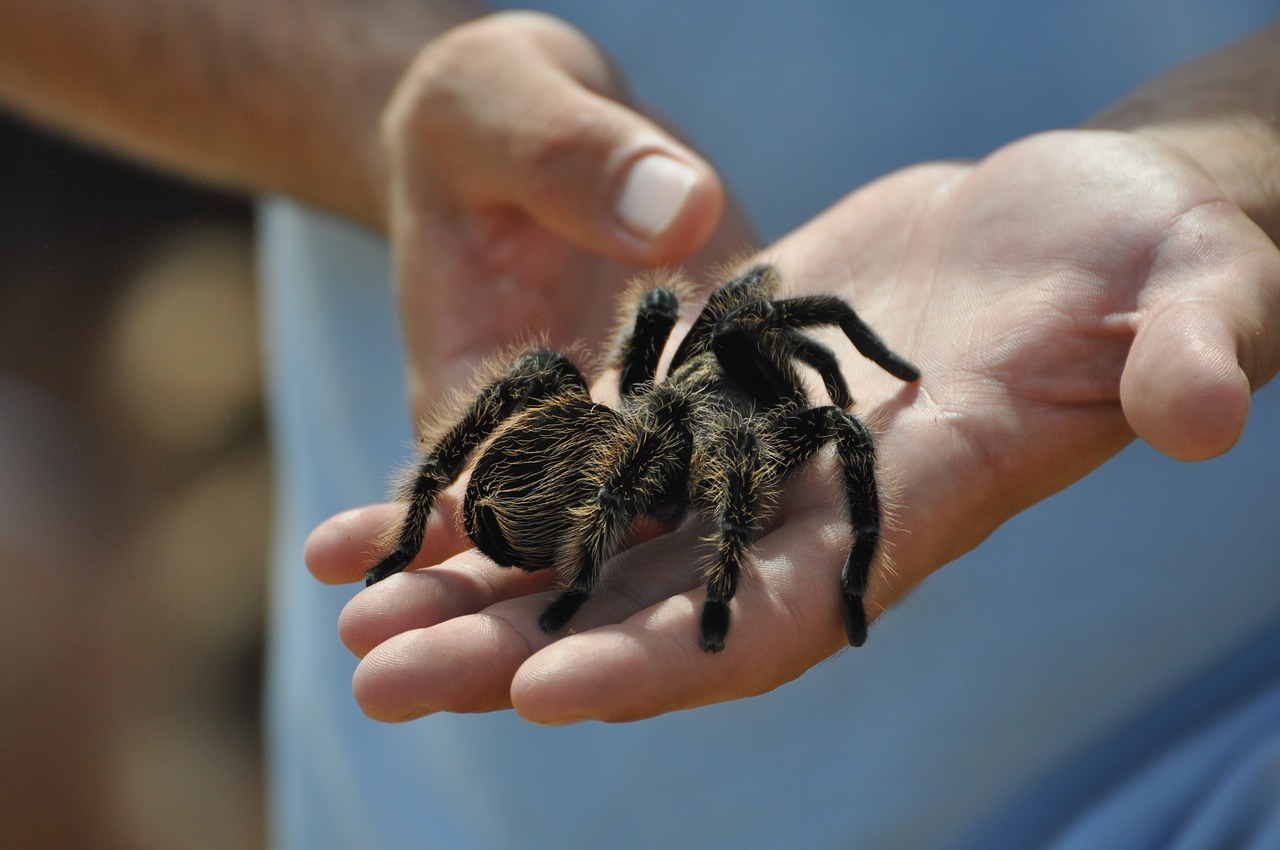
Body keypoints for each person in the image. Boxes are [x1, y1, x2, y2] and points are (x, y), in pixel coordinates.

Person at [4, 2, 1280, 848]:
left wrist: (1229, 153)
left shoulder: (703, 372)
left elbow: (765, 333)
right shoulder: (686, 413)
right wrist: (384, 93)